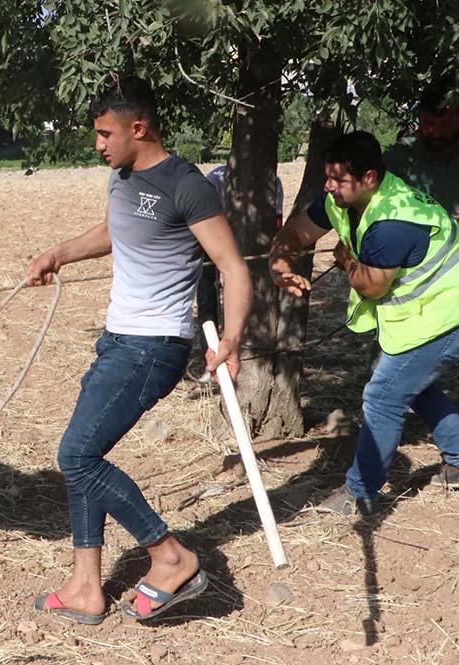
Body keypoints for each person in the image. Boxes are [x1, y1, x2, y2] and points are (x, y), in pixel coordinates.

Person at [25, 76, 253, 623]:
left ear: (138, 128)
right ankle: (85, 587)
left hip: (155, 346)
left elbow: (233, 267)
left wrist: (232, 340)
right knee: (84, 458)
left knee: (76, 457)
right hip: (117, 338)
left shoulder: (185, 184)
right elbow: (116, 232)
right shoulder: (122, 177)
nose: (98, 144)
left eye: (105, 133)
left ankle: (169, 555)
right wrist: (59, 252)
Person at [269, 131, 459, 513]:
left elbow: (371, 286)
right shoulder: (344, 200)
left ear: (369, 178)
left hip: (447, 316)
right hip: (424, 314)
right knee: (408, 385)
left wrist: (345, 262)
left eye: (338, 180)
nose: (329, 187)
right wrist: (281, 262)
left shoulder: (394, 222)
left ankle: (361, 493)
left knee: (383, 395)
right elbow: (298, 231)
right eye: (328, 177)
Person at [193, 165, 284, 380]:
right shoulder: (215, 179)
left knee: (247, 296)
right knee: (207, 294)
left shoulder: (273, 182)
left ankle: (249, 345)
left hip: (252, 247)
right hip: (212, 245)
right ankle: (211, 352)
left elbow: (277, 220)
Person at [383, 77, 459, 217]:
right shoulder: (399, 157)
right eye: (428, 123)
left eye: (445, 124)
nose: (435, 132)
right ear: (419, 117)